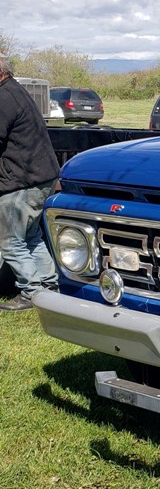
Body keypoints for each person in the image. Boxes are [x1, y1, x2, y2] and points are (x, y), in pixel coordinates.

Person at [0, 53, 60, 311]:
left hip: (21, 180)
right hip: (41, 176)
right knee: (31, 236)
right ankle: (49, 286)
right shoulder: (17, 91)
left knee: (10, 241)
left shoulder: (4, 98)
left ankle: (31, 292)